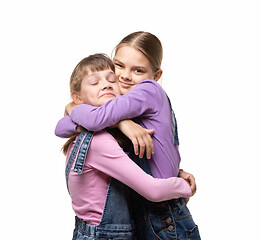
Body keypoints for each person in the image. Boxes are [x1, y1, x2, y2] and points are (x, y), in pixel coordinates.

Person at [56, 31, 200, 239]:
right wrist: (122, 122)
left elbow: (93, 119)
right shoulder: (120, 108)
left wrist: (74, 106)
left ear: (156, 76)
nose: (125, 76)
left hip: (164, 216)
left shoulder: (147, 91)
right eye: (119, 65)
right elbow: (61, 128)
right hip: (140, 214)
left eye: (138, 70)